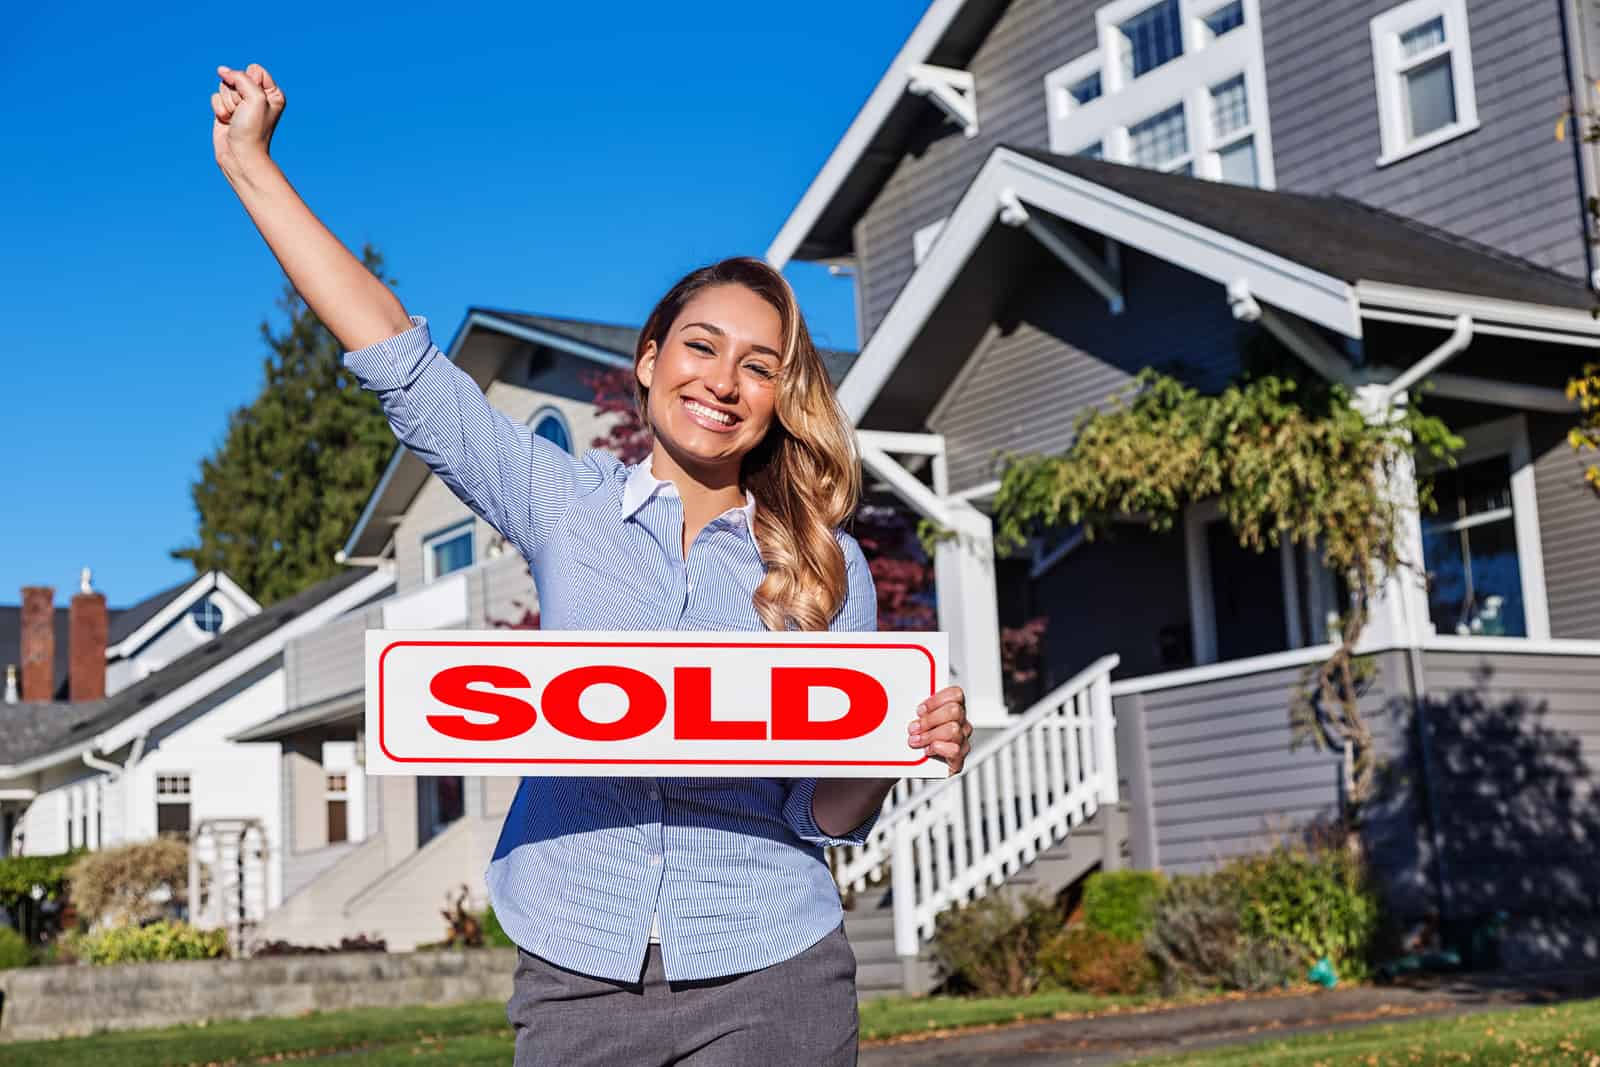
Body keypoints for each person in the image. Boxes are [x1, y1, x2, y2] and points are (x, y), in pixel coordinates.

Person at [210, 63, 972, 1066]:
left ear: (779, 398)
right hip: (576, 963)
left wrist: (892, 751)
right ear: (650, 359)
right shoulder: (561, 502)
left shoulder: (826, 571)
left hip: (771, 963)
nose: (724, 381)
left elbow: (819, 811)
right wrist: (251, 165)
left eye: (759, 366)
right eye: (701, 346)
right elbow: (399, 358)